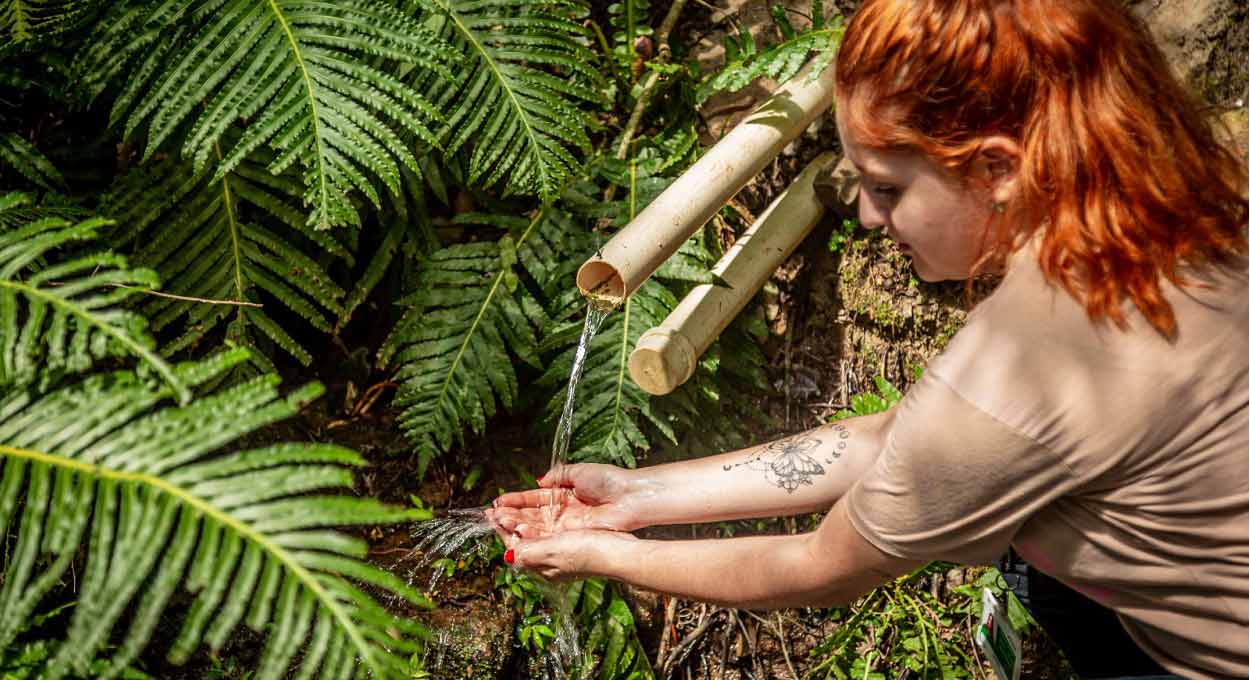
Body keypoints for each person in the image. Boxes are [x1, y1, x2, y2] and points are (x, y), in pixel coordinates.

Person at [487, 0, 1249, 677]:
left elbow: (818, 564)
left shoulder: (1027, 360)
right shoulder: (1181, 214)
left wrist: (601, 555)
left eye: (887, 187)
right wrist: (635, 496)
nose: (867, 219)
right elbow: (898, 439)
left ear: (997, 168)